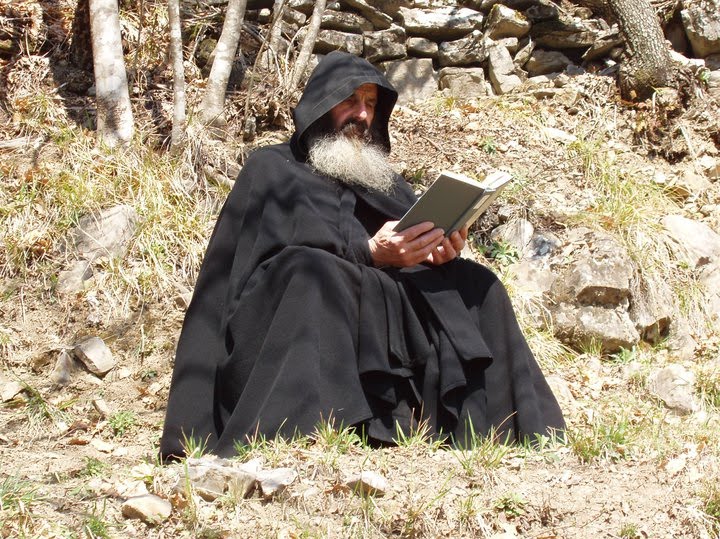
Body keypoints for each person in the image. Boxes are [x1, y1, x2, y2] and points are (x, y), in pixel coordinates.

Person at [160, 51, 564, 460]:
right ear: (321, 104)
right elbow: (256, 264)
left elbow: (406, 245)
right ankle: (298, 430)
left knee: (478, 283)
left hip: (379, 297)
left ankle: (513, 430)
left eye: (371, 103)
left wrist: (435, 251)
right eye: (350, 100)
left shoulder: (384, 181)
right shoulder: (272, 167)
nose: (363, 115)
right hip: (294, 306)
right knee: (309, 270)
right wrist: (369, 252)